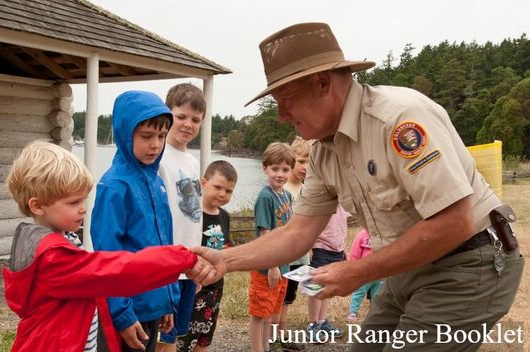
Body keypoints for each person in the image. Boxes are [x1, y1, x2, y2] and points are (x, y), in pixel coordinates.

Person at [194, 22, 524, 351]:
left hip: (469, 263)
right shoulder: (324, 150)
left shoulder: (400, 119)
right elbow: (298, 233)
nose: (281, 115)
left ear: (322, 83)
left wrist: (357, 271)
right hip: (409, 266)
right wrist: (226, 260)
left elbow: (456, 221)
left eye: (285, 99)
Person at [3, 140, 212, 352]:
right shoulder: (52, 258)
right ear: (37, 206)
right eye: (73, 203)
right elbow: (118, 270)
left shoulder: (59, 241)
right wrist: (180, 260)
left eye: (84, 200)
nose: (84, 209)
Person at [91, 91, 205, 352]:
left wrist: (167, 300)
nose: (155, 144)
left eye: (162, 136)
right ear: (124, 132)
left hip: (153, 304)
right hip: (127, 310)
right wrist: (122, 313)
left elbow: (163, 246)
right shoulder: (115, 186)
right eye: (146, 136)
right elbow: (106, 257)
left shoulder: (156, 182)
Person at [157, 83, 205, 352]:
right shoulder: (159, 156)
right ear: (167, 113)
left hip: (188, 261)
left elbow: (193, 215)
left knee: (175, 334)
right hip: (167, 262)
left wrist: (196, 262)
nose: (188, 124)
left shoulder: (192, 161)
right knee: (160, 334)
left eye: (195, 119)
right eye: (182, 116)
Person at [178, 160, 238, 352]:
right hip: (193, 289)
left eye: (228, 191)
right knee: (183, 340)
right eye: (218, 187)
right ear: (204, 183)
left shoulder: (225, 216)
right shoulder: (193, 216)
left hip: (215, 289)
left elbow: (225, 246)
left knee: (205, 338)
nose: (222, 194)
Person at [249, 142, 295, 352]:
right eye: (275, 169)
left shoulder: (287, 196)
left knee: (271, 312)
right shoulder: (265, 197)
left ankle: (266, 346)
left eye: (285, 170)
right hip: (267, 267)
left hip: (283, 265)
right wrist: (272, 266)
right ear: (265, 168)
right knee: (260, 314)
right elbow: (266, 235)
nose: (280, 174)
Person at [276, 138, 309, 351]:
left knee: (288, 298)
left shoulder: (309, 189)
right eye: (301, 161)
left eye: (309, 162)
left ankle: (282, 336)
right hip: (282, 255)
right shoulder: (281, 189)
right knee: (275, 298)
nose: (305, 167)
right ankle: (270, 338)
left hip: (301, 255)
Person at [307, 205, 349, 338]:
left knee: (328, 288)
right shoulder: (321, 201)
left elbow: (342, 225)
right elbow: (311, 225)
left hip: (337, 250)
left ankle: (322, 321)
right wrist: (310, 247)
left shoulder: (342, 201)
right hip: (320, 247)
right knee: (317, 288)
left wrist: (344, 249)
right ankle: (313, 324)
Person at [347, 229, 384, 322]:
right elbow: (355, 253)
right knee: (359, 292)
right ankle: (353, 312)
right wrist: (354, 267)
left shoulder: (384, 234)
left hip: (380, 273)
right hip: (364, 273)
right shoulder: (362, 235)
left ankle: (374, 312)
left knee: (377, 295)